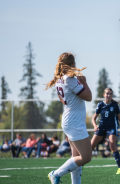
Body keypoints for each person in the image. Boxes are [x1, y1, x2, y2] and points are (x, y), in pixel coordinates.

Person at [45, 52, 92, 184]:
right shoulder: (69, 79)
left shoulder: (60, 80)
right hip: (74, 122)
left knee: (76, 157)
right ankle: (55, 174)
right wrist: (85, 83)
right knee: (86, 157)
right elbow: (89, 97)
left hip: (70, 120)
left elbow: (64, 101)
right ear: (71, 64)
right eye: (74, 63)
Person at [91, 88, 120, 174]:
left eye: (110, 94)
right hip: (101, 127)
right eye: (107, 94)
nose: (108, 95)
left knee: (112, 146)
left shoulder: (115, 105)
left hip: (112, 128)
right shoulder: (100, 105)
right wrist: (95, 126)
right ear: (104, 95)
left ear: (112, 95)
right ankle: (81, 164)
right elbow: (93, 119)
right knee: (91, 146)